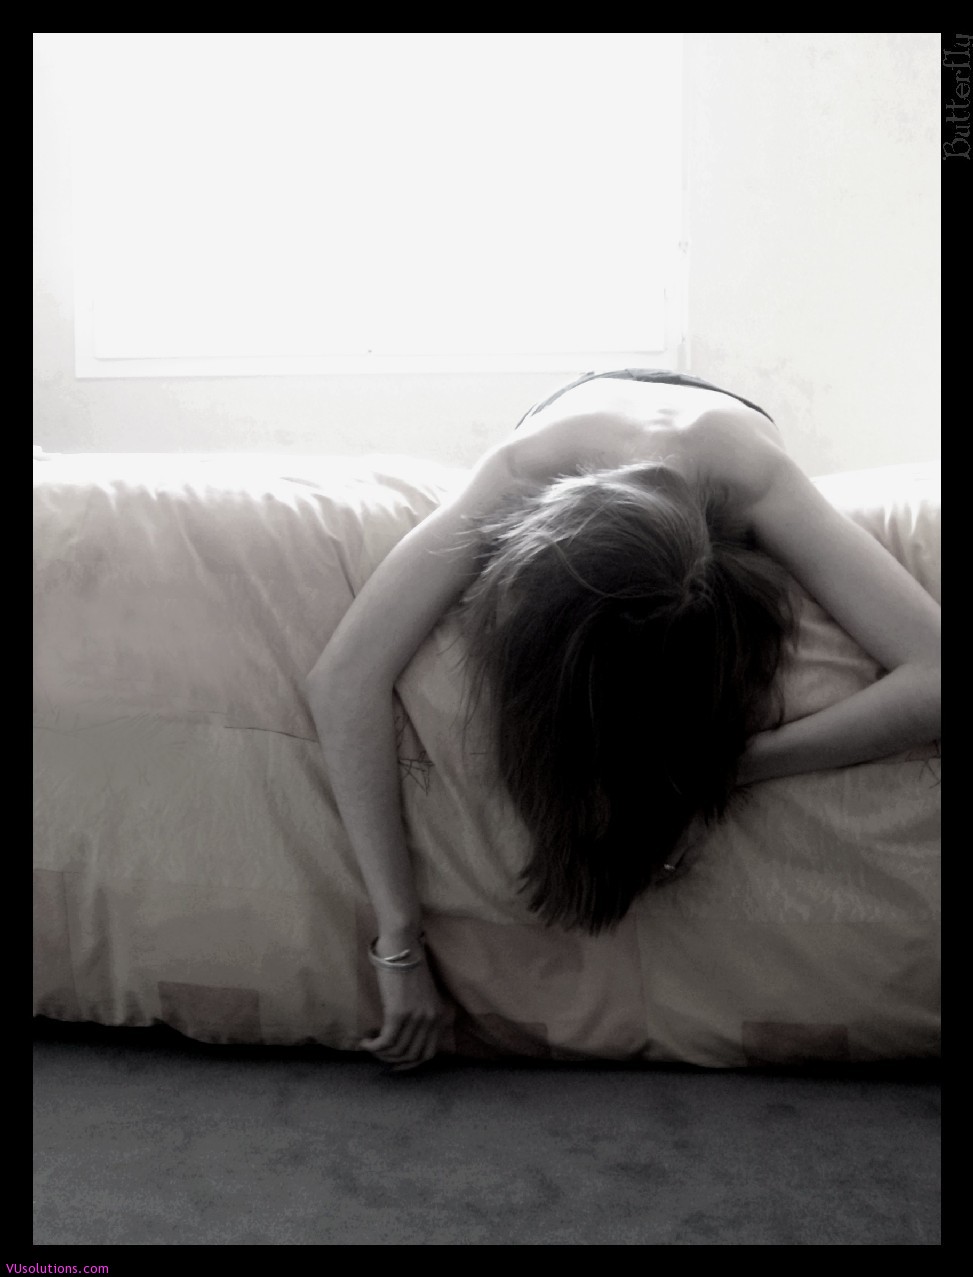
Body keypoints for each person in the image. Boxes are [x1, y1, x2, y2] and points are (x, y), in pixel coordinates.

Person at [305, 370, 941, 1071]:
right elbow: (343, 680)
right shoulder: (520, 474)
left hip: (719, 419)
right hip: (573, 407)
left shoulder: (748, 475)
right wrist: (398, 938)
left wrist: (736, 767)